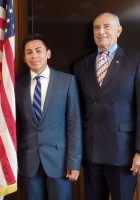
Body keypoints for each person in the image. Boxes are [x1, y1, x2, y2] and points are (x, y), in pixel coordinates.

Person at [72, 12, 140, 200]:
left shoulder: (136, 61)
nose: (101, 31)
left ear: (119, 30)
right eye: (96, 28)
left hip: (123, 153)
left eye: (106, 26)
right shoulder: (80, 65)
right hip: (91, 152)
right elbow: (76, 113)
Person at [15, 33, 82, 200]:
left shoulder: (67, 81)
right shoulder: (17, 85)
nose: (34, 56)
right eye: (29, 52)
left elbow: (74, 124)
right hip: (28, 161)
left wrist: (73, 162)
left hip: (59, 162)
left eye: (38, 50)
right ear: (24, 57)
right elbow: (14, 126)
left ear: (48, 53)